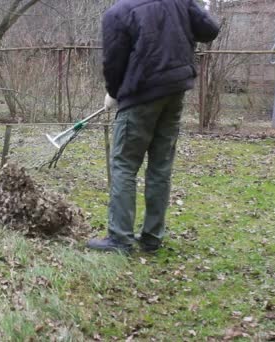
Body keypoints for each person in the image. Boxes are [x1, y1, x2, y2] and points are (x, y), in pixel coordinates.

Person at [87, 0, 220, 254]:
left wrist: (113, 93)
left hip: (141, 94)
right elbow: (210, 30)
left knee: (124, 164)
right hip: (175, 90)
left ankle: (120, 239)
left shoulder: (118, 12)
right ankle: (152, 238)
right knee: (160, 165)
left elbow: (113, 62)